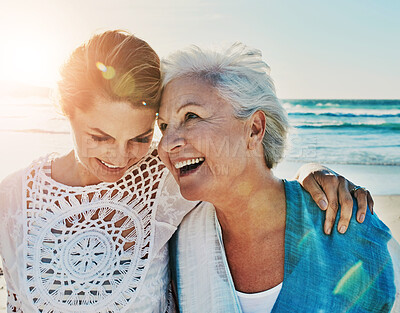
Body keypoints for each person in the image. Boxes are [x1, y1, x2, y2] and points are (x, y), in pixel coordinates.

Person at [0, 31, 371, 313]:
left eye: (142, 137)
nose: (119, 156)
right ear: (66, 112)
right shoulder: (12, 197)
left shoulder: (165, 179)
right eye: (99, 137)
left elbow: (245, 174)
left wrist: (313, 173)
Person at [158, 42, 400, 312]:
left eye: (191, 116)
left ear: (254, 129)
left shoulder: (348, 224)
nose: (166, 143)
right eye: (163, 126)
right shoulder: (176, 238)